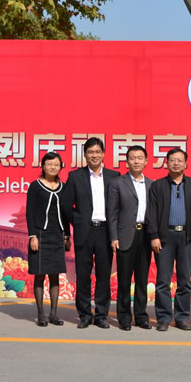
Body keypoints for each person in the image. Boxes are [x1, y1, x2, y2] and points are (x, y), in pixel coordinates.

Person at [63, 137, 120, 329]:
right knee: (83, 275)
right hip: (84, 231)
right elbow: (66, 205)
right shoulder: (75, 176)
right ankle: (85, 315)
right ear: (85, 155)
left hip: (105, 231)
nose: (94, 155)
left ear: (103, 154)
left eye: (97, 152)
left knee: (104, 275)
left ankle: (102, 315)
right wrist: (78, 221)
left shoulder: (114, 176)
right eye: (90, 152)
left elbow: (119, 205)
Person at [147, 148, 191, 331]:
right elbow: (151, 213)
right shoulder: (158, 186)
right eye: (172, 160)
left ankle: (182, 317)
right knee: (163, 281)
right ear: (166, 163)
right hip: (164, 238)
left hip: (187, 237)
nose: (176, 163)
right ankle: (163, 318)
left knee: (185, 280)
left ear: (186, 164)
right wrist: (154, 236)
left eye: (179, 160)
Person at [107, 145, 154, 331]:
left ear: (146, 161)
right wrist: (114, 236)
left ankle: (141, 317)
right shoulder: (118, 183)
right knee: (124, 281)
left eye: (140, 158)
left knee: (142, 280)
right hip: (125, 235)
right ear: (127, 161)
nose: (136, 161)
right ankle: (124, 318)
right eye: (132, 158)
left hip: (145, 236)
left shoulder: (151, 184)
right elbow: (112, 212)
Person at [26, 151, 71, 327]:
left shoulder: (64, 187)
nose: (53, 167)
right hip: (40, 235)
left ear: (61, 167)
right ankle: (40, 314)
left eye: (56, 164)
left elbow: (66, 214)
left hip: (57, 235)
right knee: (39, 275)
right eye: (49, 164)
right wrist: (32, 236)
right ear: (43, 166)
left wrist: (67, 235)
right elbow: (29, 212)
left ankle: (53, 313)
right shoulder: (35, 186)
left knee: (55, 275)